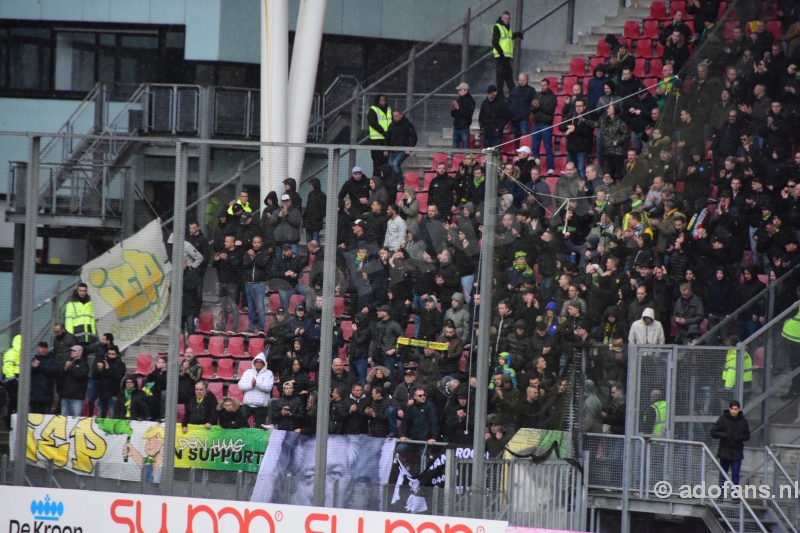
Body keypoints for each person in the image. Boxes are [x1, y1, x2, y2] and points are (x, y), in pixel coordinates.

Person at [398, 386, 439, 474]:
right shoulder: (411, 407)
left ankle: (423, 477)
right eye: (420, 396)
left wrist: (433, 437)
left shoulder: (430, 406)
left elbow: (434, 422)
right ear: (415, 397)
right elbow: (406, 422)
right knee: (399, 449)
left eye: (424, 395)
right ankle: (401, 473)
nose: (423, 397)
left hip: (425, 441)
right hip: (413, 439)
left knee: (424, 458)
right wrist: (403, 435)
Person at [711, 400, 750, 489]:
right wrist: (724, 435)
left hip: (737, 452)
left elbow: (747, 435)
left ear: (739, 409)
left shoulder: (743, 421)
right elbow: (713, 432)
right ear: (729, 409)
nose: (733, 411)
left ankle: (734, 497)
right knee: (722, 475)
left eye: (735, 409)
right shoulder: (723, 419)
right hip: (725, 452)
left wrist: (739, 437)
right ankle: (720, 497)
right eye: (732, 409)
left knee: (735, 475)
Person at [213, 235, 240, 333]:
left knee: (233, 306)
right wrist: (216, 260)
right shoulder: (223, 253)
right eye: (225, 241)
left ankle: (234, 328)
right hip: (222, 282)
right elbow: (214, 266)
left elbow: (237, 267)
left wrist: (228, 259)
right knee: (223, 306)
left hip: (232, 283)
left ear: (233, 243)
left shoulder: (237, 253)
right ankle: (222, 326)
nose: (225, 243)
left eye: (227, 241)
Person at [238, 353, 274, 428]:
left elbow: (268, 387)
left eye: (260, 362)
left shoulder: (269, 373)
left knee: (258, 428)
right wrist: (251, 385)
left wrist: (256, 384)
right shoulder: (248, 372)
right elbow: (241, 385)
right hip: (248, 405)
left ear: (264, 363)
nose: (258, 364)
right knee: (239, 421)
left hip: (261, 406)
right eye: (256, 362)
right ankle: (249, 433)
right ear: (254, 363)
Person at [385, 110, 418, 191]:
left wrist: (409, 148)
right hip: (393, 150)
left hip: (402, 149)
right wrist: (386, 148)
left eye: (396, 116)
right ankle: (394, 182)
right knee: (390, 165)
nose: (394, 118)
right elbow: (387, 138)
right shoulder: (392, 125)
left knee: (395, 164)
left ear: (401, 115)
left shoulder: (407, 125)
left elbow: (414, 137)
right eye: (394, 116)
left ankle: (400, 182)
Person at [531, 78, 558, 174]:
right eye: (541, 85)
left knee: (548, 147)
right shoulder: (537, 95)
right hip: (536, 124)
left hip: (546, 125)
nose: (542, 87)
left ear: (548, 86)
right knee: (534, 147)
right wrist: (534, 107)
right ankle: (535, 167)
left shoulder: (552, 97)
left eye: (544, 85)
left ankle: (550, 167)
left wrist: (539, 107)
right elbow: (532, 110)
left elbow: (549, 111)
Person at [269, 243, 306, 312]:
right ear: (283, 251)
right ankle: (285, 318)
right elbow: (272, 273)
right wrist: (284, 274)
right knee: (285, 307)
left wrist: (296, 275)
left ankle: (303, 310)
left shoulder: (296, 258)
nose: (289, 251)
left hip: (295, 285)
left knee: (309, 292)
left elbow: (300, 272)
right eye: (286, 250)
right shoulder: (277, 260)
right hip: (283, 287)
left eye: (290, 249)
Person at [92, 344, 126, 418]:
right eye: (109, 354)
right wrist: (100, 370)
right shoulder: (103, 363)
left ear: (117, 354)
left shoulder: (121, 365)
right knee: (100, 416)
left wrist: (108, 370)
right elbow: (95, 376)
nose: (111, 355)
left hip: (113, 394)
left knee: (113, 416)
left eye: (113, 354)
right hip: (101, 394)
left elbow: (118, 377)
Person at [58, 345, 90, 417]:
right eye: (71, 350)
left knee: (75, 419)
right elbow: (60, 375)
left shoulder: (84, 364)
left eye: (74, 351)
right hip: (65, 396)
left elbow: (81, 375)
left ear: (80, 353)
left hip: (77, 397)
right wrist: (65, 368)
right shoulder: (68, 362)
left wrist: (71, 367)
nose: (72, 352)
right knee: (64, 419)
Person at [492, 11, 518, 95]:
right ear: (502, 18)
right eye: (505, 18)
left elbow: (508, 38)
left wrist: (516, 34)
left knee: (508, 79)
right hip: (501, 58)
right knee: (501, 80)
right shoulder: (498, 27)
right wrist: (501, 53)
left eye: (508, 19)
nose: (507, 20)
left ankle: (511, 96)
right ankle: (501, 98)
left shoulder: (508, 28)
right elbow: (495, 41)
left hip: (506, 58)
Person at [508, 73, 536, 147]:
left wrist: (527, 112)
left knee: (525, 136)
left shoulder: (531, 90)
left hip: (523, 118)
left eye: (523, 80)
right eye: (520, 80)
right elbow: (509, 101)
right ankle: (517, 151)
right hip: (513, 118)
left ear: (527, 80)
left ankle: (525, 151)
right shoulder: (514, 90)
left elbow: (532, 104)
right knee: (515, 136)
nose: (521, 82)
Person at [29, 341, 57, 415]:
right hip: (34, 395)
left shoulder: (52, 360)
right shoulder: (33, 360)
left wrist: (39, 366)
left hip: (46, 395)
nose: (43, 349)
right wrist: (34, 367)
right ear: (38, 348)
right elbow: (28, 373)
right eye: (41, 347)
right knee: (34, 418)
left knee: (45, 418)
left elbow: (53, 371)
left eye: (45, 347)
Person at [367, 94, 392, 174]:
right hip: (376, 139)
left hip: (387, 139)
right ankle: (376, 178)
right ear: (378, 101)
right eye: (382, 100)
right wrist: (382, 131)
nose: (384, 102)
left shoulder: (389, 110)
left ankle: (385, 179)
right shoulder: (373, 109)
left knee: (386, 161)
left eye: (385, 100)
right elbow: (372, 122)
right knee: (377, 161)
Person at [451, 83, 476, 149]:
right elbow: (453, 115)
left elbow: (468, 115)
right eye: (458, 90)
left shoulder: (470, 101)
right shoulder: (458, 100)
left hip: (464, 128)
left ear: (466, 90)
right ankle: (455, 159)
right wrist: (453, 109)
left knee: (465, 148)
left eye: (460, 90)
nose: (458, 91)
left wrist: (458, 108)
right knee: (455, 149)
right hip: (456, 127)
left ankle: (465, 159)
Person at [303, 177, 326, 244]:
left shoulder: (322, 196)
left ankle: (315, 254)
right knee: (308, 240)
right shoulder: (310, 195)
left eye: (311, 185)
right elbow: (308, 207)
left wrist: (317, 216)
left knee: (315, 240)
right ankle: (309, 254)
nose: (310, 187)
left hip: (316, 222)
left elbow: (324, 210)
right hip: (309, 221)